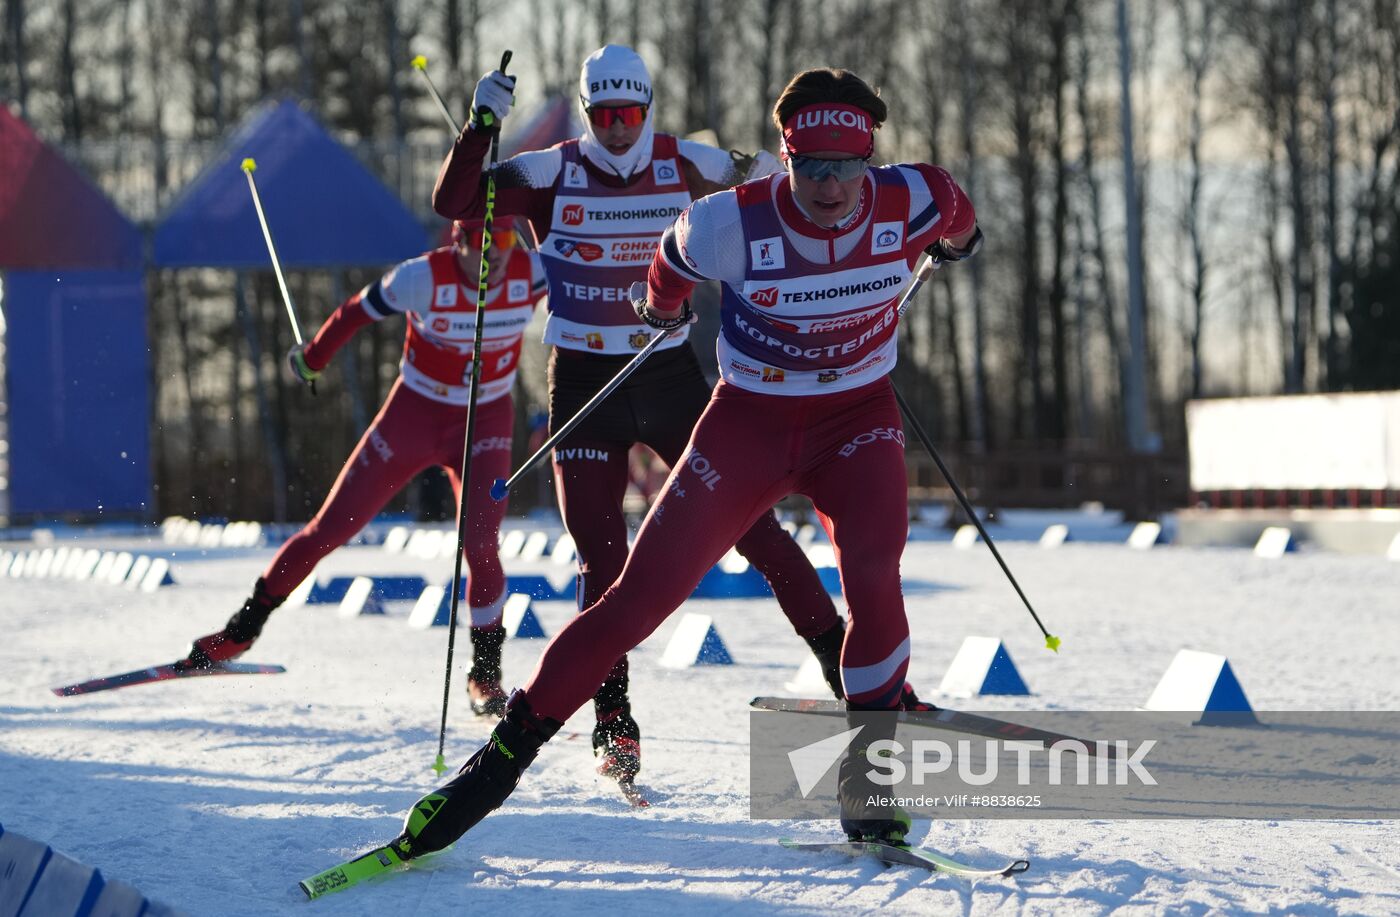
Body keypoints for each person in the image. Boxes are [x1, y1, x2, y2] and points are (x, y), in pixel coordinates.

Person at [383, 67, 983, 859]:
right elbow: (669, 261)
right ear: (786, 157)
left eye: (846, 167)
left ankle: (869, 785)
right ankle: (493, 770)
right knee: (634, 598)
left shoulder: (919, 195)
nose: (830, 187)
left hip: (856, 420)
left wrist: (952, 246)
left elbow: (962, 227)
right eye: (810, 167)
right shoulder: (727, 223)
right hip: (749, 425)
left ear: (870, 158)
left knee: (874, 572)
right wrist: (660, 311)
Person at [433, 44, 853, 783]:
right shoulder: (550, 169)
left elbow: (781, 184)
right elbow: (457, 203)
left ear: (648, 107)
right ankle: (614, 723)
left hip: (667, 377)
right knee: (603, 558)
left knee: (755, 529)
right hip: (583, 383)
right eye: (604, 114)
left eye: (630, 113)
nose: (619, 128)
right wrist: (480, 125)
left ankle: (849, 675)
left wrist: (832, 243)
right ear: (588, 110)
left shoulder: (687, 161)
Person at [179, 219, 548, 718]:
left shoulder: (535, 271)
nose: (493, 256)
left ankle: (485, 677)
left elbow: (594, 296)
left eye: (503, 241)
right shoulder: (421, 277)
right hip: (415, 414)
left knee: (481, 545)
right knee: (330, 529)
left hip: (486, 419)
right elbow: (355, 313)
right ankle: (241, 632)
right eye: (480, 243)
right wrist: (313, 358)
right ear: (456, 241)